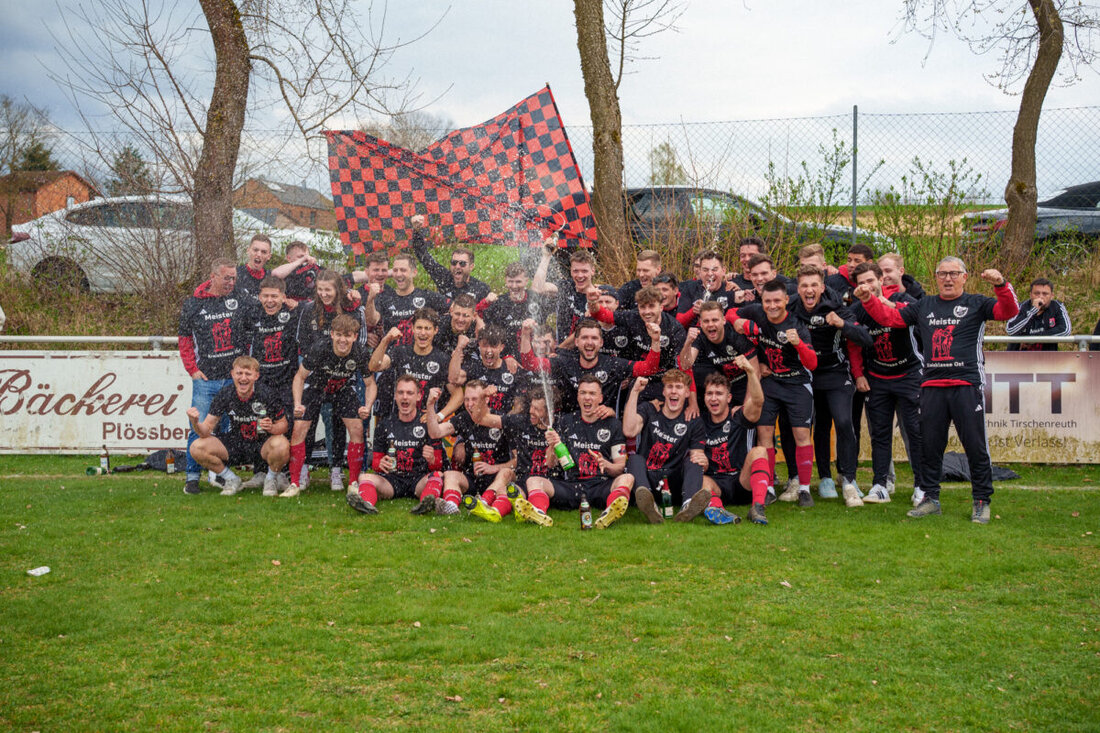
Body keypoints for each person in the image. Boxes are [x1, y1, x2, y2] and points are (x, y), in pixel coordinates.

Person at [853, 256, 1018, 523]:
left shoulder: (977, 303)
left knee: (975, 446)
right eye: (943, 274)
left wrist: (1001, 285)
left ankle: (981, 501)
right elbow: (892, 318)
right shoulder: (925, 305)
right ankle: (930, 498)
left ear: (965, 277)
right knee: (928, 447)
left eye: (954, 273)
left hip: (966, 385)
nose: (948, 279)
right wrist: (868, 300)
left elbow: (1008, 312)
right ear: (936, 277)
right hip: (931, 386)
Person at [728, 279, 818, 506]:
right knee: (765, 434)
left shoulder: (796, 326)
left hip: (797, 384)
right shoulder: (757, 312)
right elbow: (729, 312)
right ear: (763, 301)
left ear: (786, 300)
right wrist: (737, 320)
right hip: (770, 383)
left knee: (801, 436)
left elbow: (813, 363)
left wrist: (799, 345)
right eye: (768, 301)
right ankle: (767, 488)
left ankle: (805, 489)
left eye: (777, 300)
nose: (772, 305)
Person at [789, 264, 871, 506]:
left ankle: (848, 479)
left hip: (835, 374)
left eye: (814, 285)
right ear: (798, 288)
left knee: (844, 422)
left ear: (822, 287)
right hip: (806, 375)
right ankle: (824, 477)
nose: (809, 290)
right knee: (819, 426)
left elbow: (865, 338)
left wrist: (842, 325)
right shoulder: (790, 307)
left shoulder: (836, 306)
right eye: (804, 285)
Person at [849, 261, 927, 506]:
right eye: (861, 283)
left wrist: (887, 305)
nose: (866, 287)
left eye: (870, 281)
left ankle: (922, 486)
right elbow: (853, 343)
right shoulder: (857, 310)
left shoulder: (904, 300)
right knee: (880, 435)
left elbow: (920, 318)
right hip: (878, 379)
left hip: (908, 375)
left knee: (914, 432)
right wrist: (859, 374)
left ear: (881, 280)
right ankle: (880, 485)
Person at [526, 375, 634, 529]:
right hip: (571, 487)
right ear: (578, 397)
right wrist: (553, 445)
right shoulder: (566, 421)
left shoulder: (613, 424)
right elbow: (550, 464)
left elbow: (620, 467)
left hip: (600, 486)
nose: (587, 398)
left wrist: (606, 464)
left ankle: (609, 512)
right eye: (583, 393)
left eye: (592, 394)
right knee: (533, 481)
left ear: (600, 398)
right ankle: (539, 513)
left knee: (628, 478)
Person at [284, 314, 374, 498]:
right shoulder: (319, 348)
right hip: (317, 388)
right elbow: (300, 377)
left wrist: (368, 405)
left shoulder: (361, 352)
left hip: (342, 390)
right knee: (299, 428)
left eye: (348, 335)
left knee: (357, 428)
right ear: (332, 334)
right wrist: (298, 403)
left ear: (355, 337)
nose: (343, 340)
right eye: (339, 334)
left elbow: (370, 383)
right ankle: (295, 481)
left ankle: (353, 482)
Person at [178, 257, 243, 495]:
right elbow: (184, 340)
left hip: (233, 380)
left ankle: (219, 475)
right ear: (213, 276)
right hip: (206, 381)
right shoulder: (193, 303)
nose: (231, 282)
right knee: (199, 426)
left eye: (234, 278)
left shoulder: (238, 299)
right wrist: (192, 370)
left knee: (225, 429)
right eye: (227, 278)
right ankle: (192, 477)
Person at [186, 356, 290, 496]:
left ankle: (270, 479)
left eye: (248, 374)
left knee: (282, 444)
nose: (243, 378)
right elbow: (206, 430)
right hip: (236, 444)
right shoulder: (225, 394)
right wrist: (195, 422)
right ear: (232, 374)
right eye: (239, 373)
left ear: (256, 376)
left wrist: (272, 428)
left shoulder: (267, 393)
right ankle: (231, 479)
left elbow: (284, 425)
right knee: (196, 447)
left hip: (262, 446)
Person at [520, 317, 661, 415]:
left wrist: (655, 340)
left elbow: (649, 368)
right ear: (576, 342)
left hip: (604, 425)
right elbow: (531, 364)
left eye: (594, 338)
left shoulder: (614, 364)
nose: (589, 342)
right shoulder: (564, 362)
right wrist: (525, 335)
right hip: (570, 424)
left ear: (601, 342)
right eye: (584, 338)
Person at [235, 275, 298, 490]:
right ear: (259, 296)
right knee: (261, 426)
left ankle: (282, 473)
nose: (270, 300)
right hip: (262, 383)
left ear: (283, 296)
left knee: (285, 428)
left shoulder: (293, 314)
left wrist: (296, 306)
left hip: (286, 382)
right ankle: (260, 471)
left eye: (274, 296)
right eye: (265, 296)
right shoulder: (252, 314)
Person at [348, 375, 445, 515]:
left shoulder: (428, 423)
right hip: (392, 480)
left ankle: (425, 503)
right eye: (400, 393)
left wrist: (431, 459)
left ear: (418, 396)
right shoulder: (385, 424)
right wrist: (380, 463)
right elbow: (375, 463)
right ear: (395, 396)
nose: (405, 397)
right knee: (364, 477)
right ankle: (366, 505)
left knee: (437, 475)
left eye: (410, 393)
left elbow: (437, 465)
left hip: (418, 480)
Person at [622, 370, 706, 524]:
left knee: (695, 461)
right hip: (648, 478)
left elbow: (697, 454)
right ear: (664, 391)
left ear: (687, 393)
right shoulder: (650, 409)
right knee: (634, 459)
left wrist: (702, 460)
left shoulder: (693, 421)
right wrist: (635, 392)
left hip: (674, 480)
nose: (674, 391)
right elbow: (629, 430)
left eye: (679, 387)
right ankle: (648, 503)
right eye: (670, 386)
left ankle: (688, 506)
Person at [691, 367, 772, 525]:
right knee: (700, 479)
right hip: (716, 484)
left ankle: (757, 507)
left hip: (742, 481)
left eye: (719, 394)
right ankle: (718, 510)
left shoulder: (739, 416)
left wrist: (750, 372)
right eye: (709, 394)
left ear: (729, 398)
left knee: (760, 451)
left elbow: (757, 401)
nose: (714, 398)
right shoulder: (699, 422)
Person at [425, 381, 516, 519]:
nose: (469, 404)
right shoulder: (463, 418)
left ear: (486, 399)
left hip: (498, 478)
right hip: (473, 477)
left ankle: (484, 502)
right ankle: (451, 506)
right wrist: (430, 405)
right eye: (467, 399)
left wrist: (493, 468)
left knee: (506, 472)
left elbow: (517, 460)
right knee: (450, 474)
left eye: (474, 399)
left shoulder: (501, 419)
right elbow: (435, 433)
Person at [369, 308, 463, 418]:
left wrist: (439, 416)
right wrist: (386, 340)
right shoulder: (400, 352)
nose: (423, 333)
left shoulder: (442, 359)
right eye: (419, 328)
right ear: (412, 328)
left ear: (435, 330)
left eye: (427, 328)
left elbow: (458, 395)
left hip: (427, 424)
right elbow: (374, 366)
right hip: (399, 420)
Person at [678, 300, 759, 408]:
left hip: (745, 384)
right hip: (723, 387)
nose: (710, 324)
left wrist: (745, 406)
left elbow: (756, 372)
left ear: (724, 320)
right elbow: (686, 365)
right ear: (700, 323)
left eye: (715, 320)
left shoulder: (736, 335)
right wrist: (688, 342)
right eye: (706, 321)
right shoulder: (699, 335)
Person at [363, 252, 448, 346]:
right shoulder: (385, 297)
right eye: (395, 270)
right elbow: (371, 321)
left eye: (403, 270)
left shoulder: (426, 296)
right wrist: (370, 299)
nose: (398, 274)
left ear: (414, 272)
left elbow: (454, 308)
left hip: (421, 353)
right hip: (393, 355)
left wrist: (439, 332)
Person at [409, 215, 491, 303]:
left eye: (462, 264)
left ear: (471, 267)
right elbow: (423, 256)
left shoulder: (481, 288)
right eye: (454, 263)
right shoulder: (444, 278)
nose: (457, 266)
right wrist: (416, 231)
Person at [532, 242, 598, 342]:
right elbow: (537, 287)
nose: (580, 275)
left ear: (592, 271)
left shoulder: (598, 296)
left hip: (587, 353)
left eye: (584, 271)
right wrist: (546, 256)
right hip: (562, 353)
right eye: (576, 271)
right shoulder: (565, 286)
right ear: (570, 271)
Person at [479, 261, 548, 355]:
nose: (514, 286)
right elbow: (477, 318)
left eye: (518, 281)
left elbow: (545, 331)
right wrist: (485, 302)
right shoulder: (499, 304)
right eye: (510, 282)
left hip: (534, 356)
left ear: (526, 281)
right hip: (508, 357)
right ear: (505, 280)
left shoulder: (535, 299)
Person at [1006, 277, 1072, 351]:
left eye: (1045, 294)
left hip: (1047, 359)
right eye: (1037, 293)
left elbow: (1065, 330)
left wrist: (1033, 339)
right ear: (1030, 295)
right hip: (1018, 358)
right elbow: (1010, 330)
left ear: (1052, 296)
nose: (1041, 297)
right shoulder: (1019, 307)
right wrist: (1033, 311)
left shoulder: (1057, 307)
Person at [235, 234, 273, 298]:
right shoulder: (236, 274)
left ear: (269, 256)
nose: (258, 254)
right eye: (255, 250)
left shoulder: (271, 277)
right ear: (248, 251)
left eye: (263, 252)